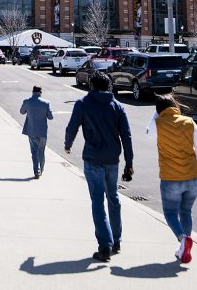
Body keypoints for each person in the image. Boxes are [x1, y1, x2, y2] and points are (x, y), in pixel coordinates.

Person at [64, 71, 134, 262]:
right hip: (113, 159)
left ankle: (105, 246)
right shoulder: (118, 106)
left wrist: (68, 144)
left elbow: (73, 126)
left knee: (97, 201)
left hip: (93, 158)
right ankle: (116, 240)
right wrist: (129, 162)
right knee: (113, 198)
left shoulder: (83, 104)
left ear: (92, 85)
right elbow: (126, 136)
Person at [146, 93, 197, 264]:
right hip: (193, 176)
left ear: (159, 111)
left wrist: (156, 113)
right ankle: (183, 250)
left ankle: (183, 240)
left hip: (171, 177)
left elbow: (148, 134)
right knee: (186, 211)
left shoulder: (158, 124)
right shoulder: (189, 123)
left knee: (170, 213)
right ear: (175, 106)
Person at [20, 85, 54, 178]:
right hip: (42, 131)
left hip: (31, 130)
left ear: (32, 91)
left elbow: (22, 112)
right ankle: (41, 170)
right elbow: (50, 117)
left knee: (34, 152)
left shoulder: (27, 101)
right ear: (41, 92)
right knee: (41, 151)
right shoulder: (46, 103)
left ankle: (37, 171)